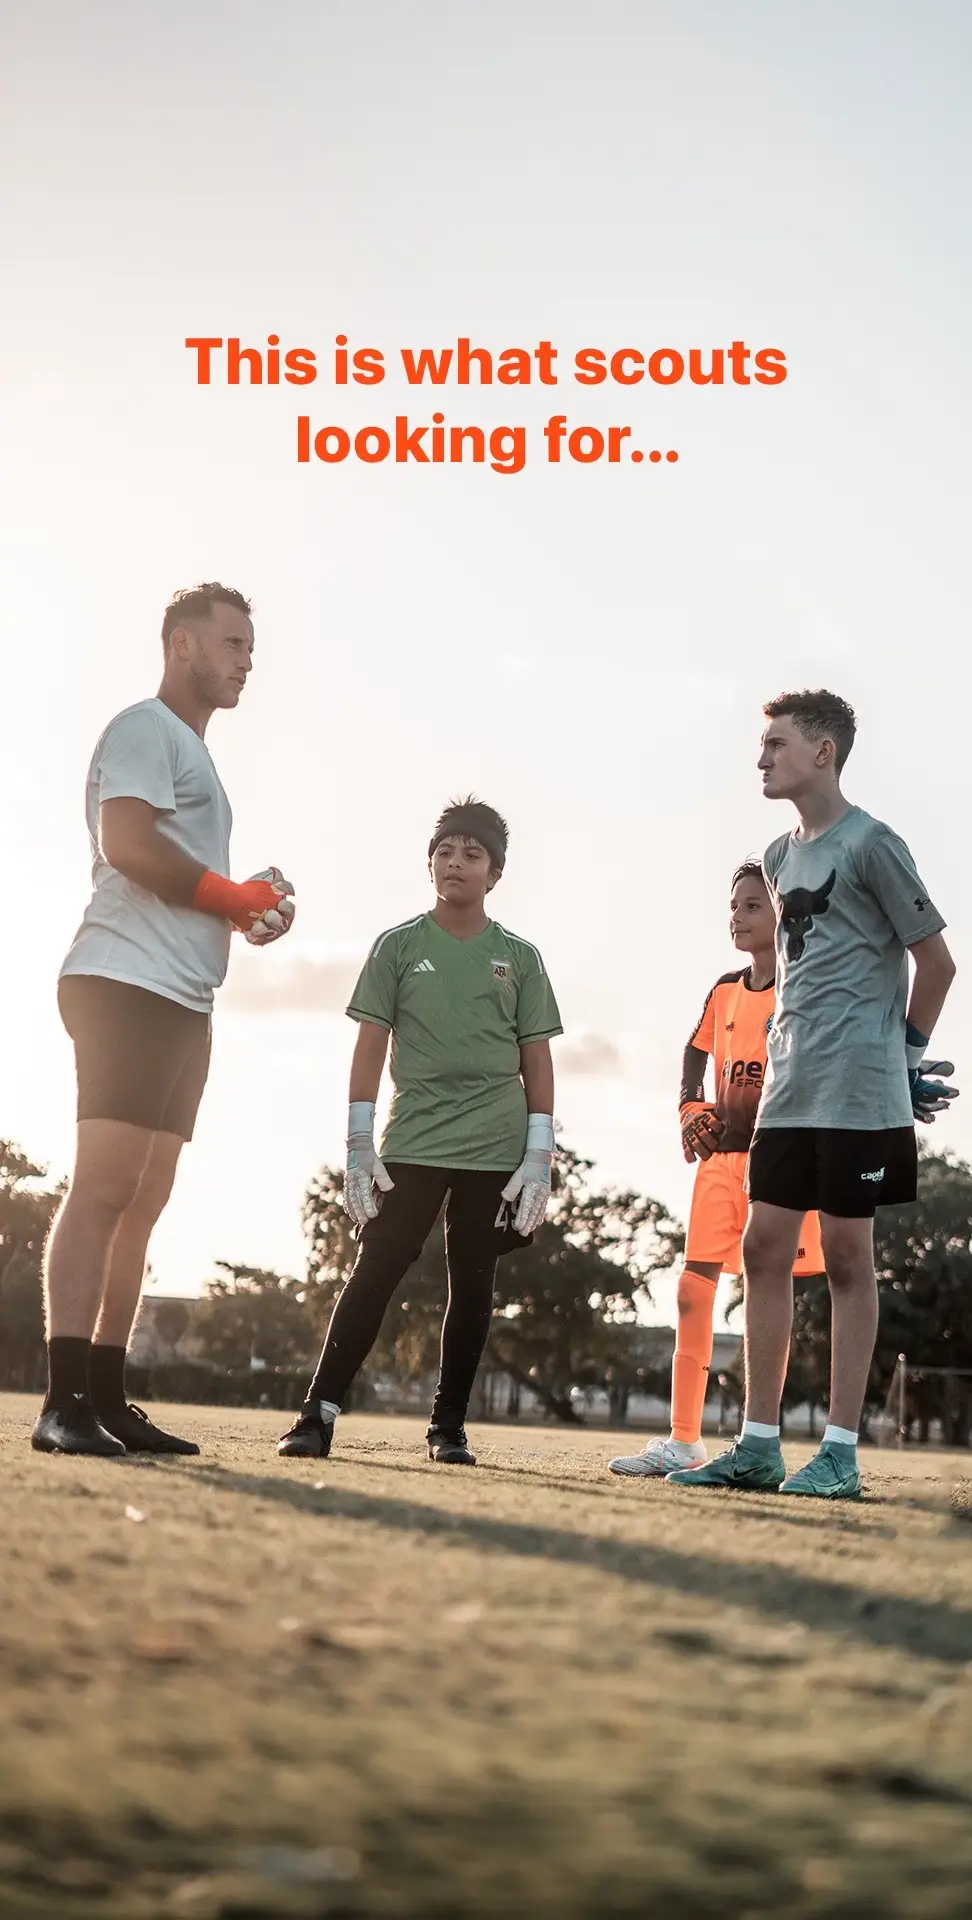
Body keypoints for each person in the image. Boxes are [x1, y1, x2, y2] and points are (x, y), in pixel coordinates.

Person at [669, 689, 957, 1500]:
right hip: (789, 1093)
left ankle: (838, 1452)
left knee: (847, 1260)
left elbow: (935, 964)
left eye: (776, 744)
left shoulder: (874, 844)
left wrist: (904, 1059)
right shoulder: (777, 854)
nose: (761, 758)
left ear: (823, 752)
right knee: (762, 1250)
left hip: (860, 1089)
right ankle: (758, 1445)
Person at [36, 584, 296, 1457]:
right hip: (123, 982)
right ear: (182, 645)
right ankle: (62, 1402)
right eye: (232, 643)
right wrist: (230, 894)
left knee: (143, 1204)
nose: (246, 659)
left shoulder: (196, 756)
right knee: (104, 1188)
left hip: (184, 998)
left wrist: (248, 906)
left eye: (250, 647)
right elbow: (129, 845)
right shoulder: (145, 727)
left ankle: (107, 1399)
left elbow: (186, 872)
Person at [279, 797, 563, 1466]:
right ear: (429, 863)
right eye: (445, 851)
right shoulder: (399, 946)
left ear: (495, 873)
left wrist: (539, 1156)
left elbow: (538, 1058)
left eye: (472, 854)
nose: (456, 863)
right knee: (375, 1269)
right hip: (414, 1140)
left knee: (473, 1284)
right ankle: (316, 1416)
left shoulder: (518, 957)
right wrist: (357, 1143)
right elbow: (369, 1047)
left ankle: (448, 1429)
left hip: (495, 1143)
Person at [609, 861, 825, 1478]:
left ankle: (762, 1438)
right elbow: (693, 1051)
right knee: (690, 1287)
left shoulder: (801, 987)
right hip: (718, 1159)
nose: (738, 915)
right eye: (734, 905)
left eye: (754, 905)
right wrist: (689, 1108)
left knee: (770, 1286)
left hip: (777, 1158)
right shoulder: (724, 990)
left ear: (784, 915)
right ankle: (683, 1439)